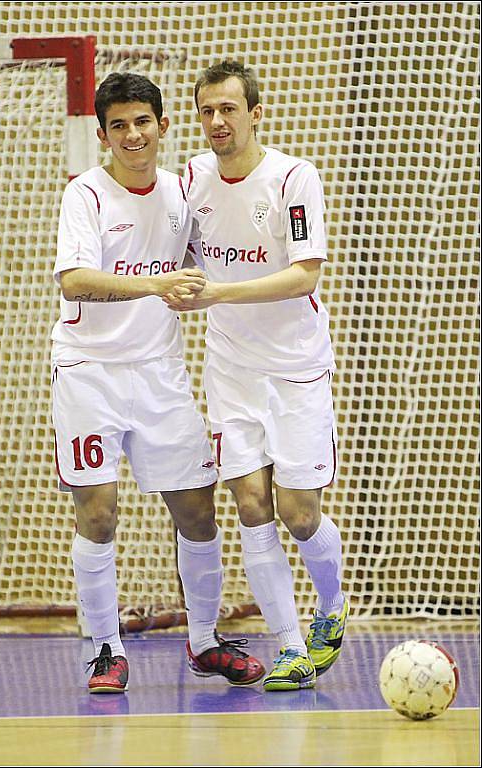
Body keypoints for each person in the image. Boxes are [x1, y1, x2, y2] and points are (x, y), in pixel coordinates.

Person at [51, 72, 265, 693]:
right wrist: (156, 284)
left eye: (142, 121)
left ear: (164, 126)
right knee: (98, 513)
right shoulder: (86, 196)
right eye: (118, 125)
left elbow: (215, 256)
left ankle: (204, 643)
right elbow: (75, 281)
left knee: (198, 511)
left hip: (160, 374)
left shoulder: (181, 193)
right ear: (103, 135)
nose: (132, 134)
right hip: (88, 373)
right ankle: (104, 650)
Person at [164, 60, 349, 692]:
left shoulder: (294, 178)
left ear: (255, 112)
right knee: (249, 505)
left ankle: (331, 606)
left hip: (296, 372)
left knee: (299, 514)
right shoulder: (191, 178)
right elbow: (180, 250)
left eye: (229, 109)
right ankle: (292, 648)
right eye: (207, 111)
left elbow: (305, 274)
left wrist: (217, 293)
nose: (217, 122)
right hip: (230, 374)